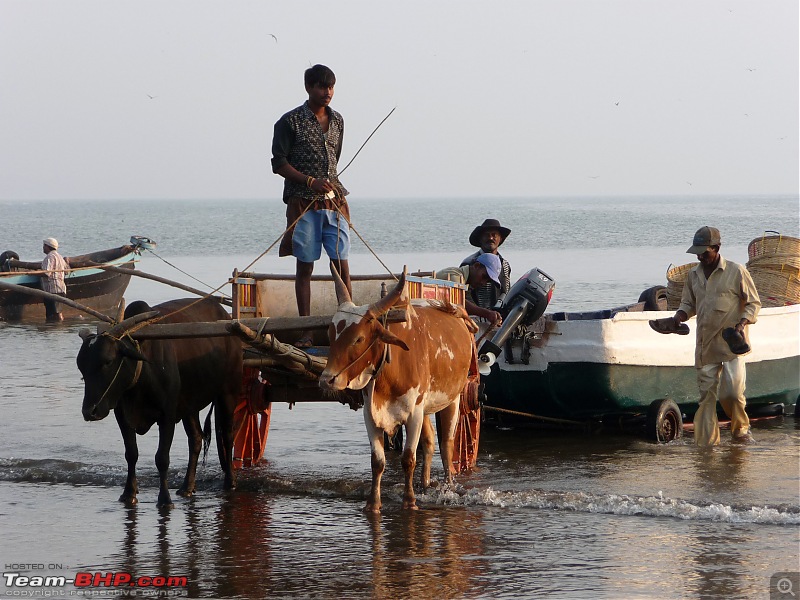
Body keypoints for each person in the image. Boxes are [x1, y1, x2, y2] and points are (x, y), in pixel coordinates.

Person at [272, 64, 350, 348]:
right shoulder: (289, 122)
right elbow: (278, 164)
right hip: (303, 203)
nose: (326, 92)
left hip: (334, 202)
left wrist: (326, 184)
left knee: (341, 263)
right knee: (305, 266)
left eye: (330, 87)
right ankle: (305, 330)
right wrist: (309, 181)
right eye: (321, 86)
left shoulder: (338, 120)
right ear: (308, 88)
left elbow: (335, 157)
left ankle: (349, 322)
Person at [670, 226, 761, 446]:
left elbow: (753, 303)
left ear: (717, 248)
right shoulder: (693, 275)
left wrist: (742, 323)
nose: (700, 256)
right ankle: (707, 445)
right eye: (697, 252)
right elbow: (688, 304)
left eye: (704, 252)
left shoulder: (736, 271)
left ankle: (740, 430)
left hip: (732, 344)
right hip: (705, 344)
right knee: (706, 399)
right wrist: (677, 318)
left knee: (732, 394)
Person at [435, 253, 504, 326]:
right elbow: (458, 302)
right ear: (476, 266)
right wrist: (486, 313)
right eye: (484, 277)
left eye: (488, 281)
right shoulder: (456, 276)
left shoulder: (466, 283)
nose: (483, 283)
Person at [461, 218, 512, 309]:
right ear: (480, 239)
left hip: (498, 315)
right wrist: (482, 314)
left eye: (494, 235)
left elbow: (507, 291)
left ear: (500, 239)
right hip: (475, 316)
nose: (490, 238)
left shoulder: (505, 265)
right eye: (486, 235)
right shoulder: (470, 263)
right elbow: (464, 296)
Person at [40, 237, 68, 322]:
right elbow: (66, 271)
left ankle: (56, 329)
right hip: (61, 289)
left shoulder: (50, 257)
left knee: (54, 313)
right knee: (56, 312)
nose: (43, 248)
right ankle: (56, 328)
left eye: (44, 246)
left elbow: (46, 273)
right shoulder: (59, 257)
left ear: (48, 247)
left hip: (53, 290)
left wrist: (34, 273)